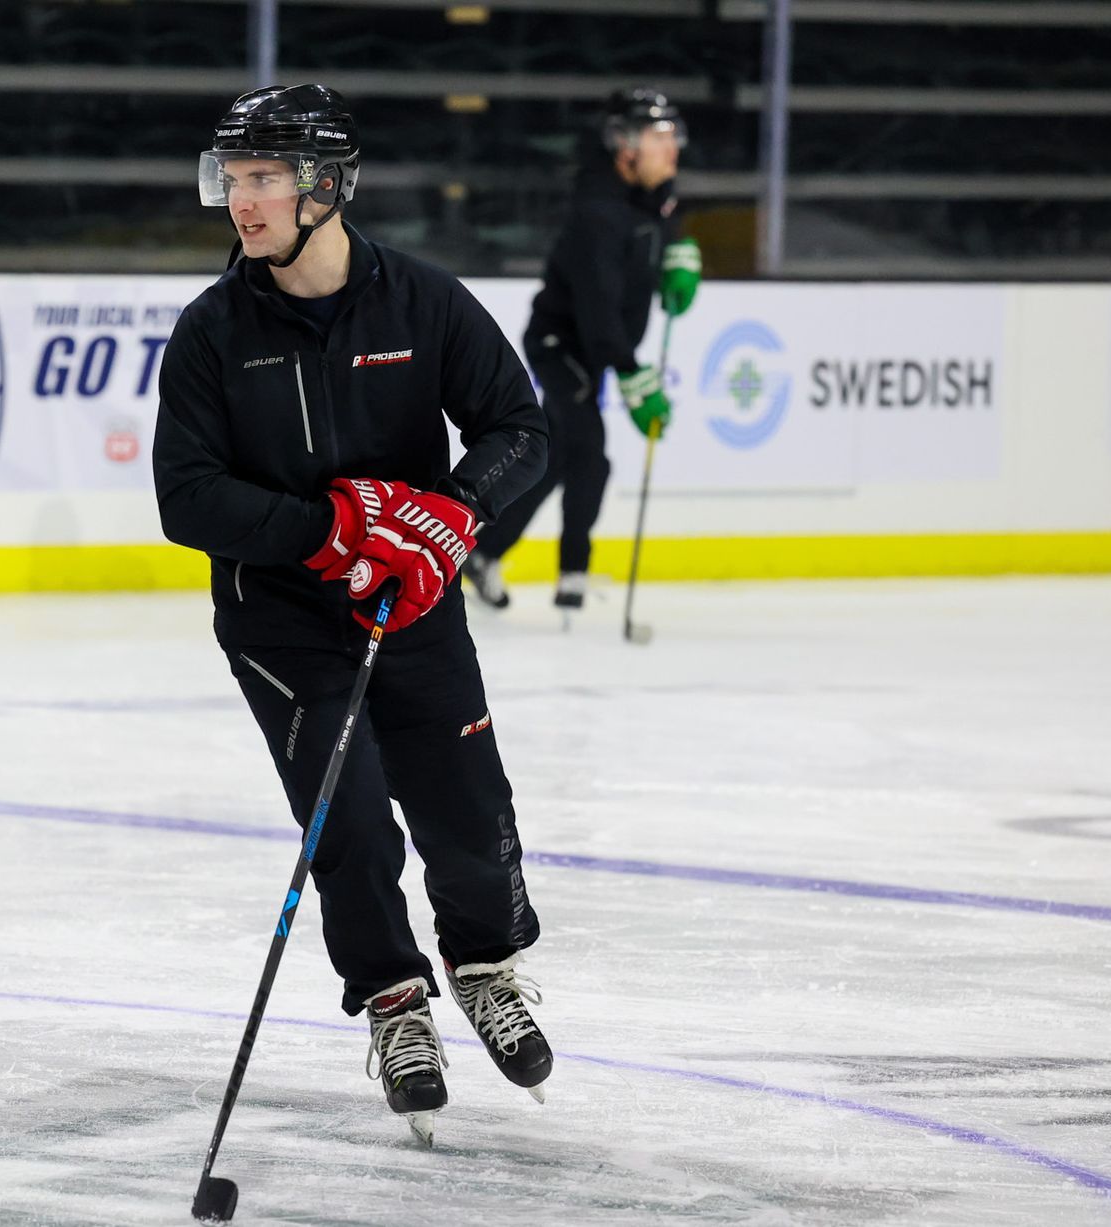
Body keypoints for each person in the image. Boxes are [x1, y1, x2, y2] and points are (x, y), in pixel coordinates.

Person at [153, 84, 554, 1138]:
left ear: (326, 186)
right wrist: (334, 530)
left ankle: (484, 968)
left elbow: (520, 429)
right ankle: (393, 999)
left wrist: (451, 515)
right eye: (232, 178)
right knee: (353, 826)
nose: (242, 201)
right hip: (281, 623)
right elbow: (186, 499)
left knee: (469, 816)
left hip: (411, 606)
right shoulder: (211, 332)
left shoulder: (422, 302)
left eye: (264, 178)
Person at [465, 87, 701, 613]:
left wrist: (679, 251)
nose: (672, 149)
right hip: (563, 346)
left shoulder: (652, 197)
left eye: (674, 136)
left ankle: (484, 553)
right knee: (590, 454)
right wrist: (632, 375)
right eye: (659, 137)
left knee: (556, 458)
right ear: (625, 147)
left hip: (596, 350)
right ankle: (574, 570)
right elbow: (597, 314)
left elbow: (659, 226)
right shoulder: (598, 213)